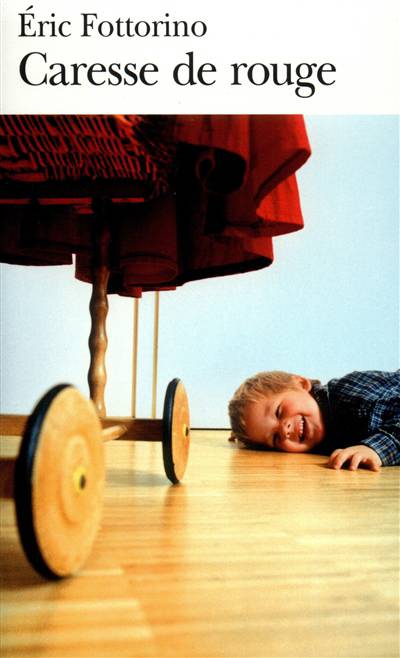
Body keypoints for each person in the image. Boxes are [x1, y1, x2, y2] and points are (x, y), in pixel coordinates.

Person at [228, 370, 400, 471]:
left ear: (301, 384)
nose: (284, 430)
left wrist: (375, 448)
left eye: (279, 412)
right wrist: (247, 434)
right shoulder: (315, 436)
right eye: (275, 438)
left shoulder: (351, 395)